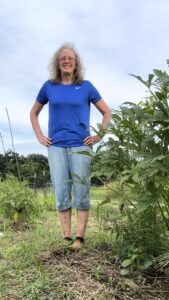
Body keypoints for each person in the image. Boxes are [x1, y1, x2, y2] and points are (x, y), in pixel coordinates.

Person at [30, 42, 112, 249]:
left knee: (82, 189)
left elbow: (106, 112)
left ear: (76, 64)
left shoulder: (86, 86)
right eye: (63, 59)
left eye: (70, 59)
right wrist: (40, 136)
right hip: (56, 146)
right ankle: (66, 236)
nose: (67, 61)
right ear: (57, 63)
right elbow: (33, 112)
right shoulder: (49, 86)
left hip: (81, 145)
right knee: (61, 190)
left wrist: (99, 136)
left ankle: (80, 237)